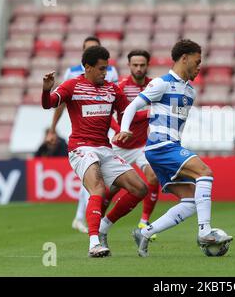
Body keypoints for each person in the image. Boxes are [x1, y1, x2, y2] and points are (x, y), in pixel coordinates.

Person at [116, 39, 233, 257]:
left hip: (170, 147)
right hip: (160, 146)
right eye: (197, 62)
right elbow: (133, 106)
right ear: (184, 58)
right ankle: (205, 232)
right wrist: (124, 129)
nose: (199, 67)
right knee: (205, 173)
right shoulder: (161, 83)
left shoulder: (190, 92)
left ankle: (145, 232)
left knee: (191, 199)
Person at [41, 46, 148, 258]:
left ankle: (104, 226)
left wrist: (133, 125)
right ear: (87, 67)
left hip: (104, 148)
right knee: (97, 188)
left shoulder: (112, 89)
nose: (104, 73)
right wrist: (46, 89)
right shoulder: (72, 85)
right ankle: (93, 243)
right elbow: (49, 104)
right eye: (100, 69)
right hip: (81, 147)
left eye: (106, 69)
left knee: (140, 189)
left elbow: (128, 115)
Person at [50, 36, 119, 234]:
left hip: (103, 134)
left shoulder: (110, 72)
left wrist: (117, 128)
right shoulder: (72, 75)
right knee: (94, 182)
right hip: (83, 138)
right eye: (89, 49)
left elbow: (111, 103)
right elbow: (60, 103)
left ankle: (89, 219)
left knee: (105, 184)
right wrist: (53, 129)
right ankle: (85, 221)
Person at [99, 49, 160, 241]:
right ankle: (98, 222)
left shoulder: (154, 86)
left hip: (142, 145)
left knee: (153, 177)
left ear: (147, 65)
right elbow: (118, 115)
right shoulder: (122, 86)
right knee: (111, 189)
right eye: (135, 65)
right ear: (129, 66)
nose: (139, 68)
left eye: (142, 65)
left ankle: (144, 221)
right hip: (121, 145)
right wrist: (119, 130)